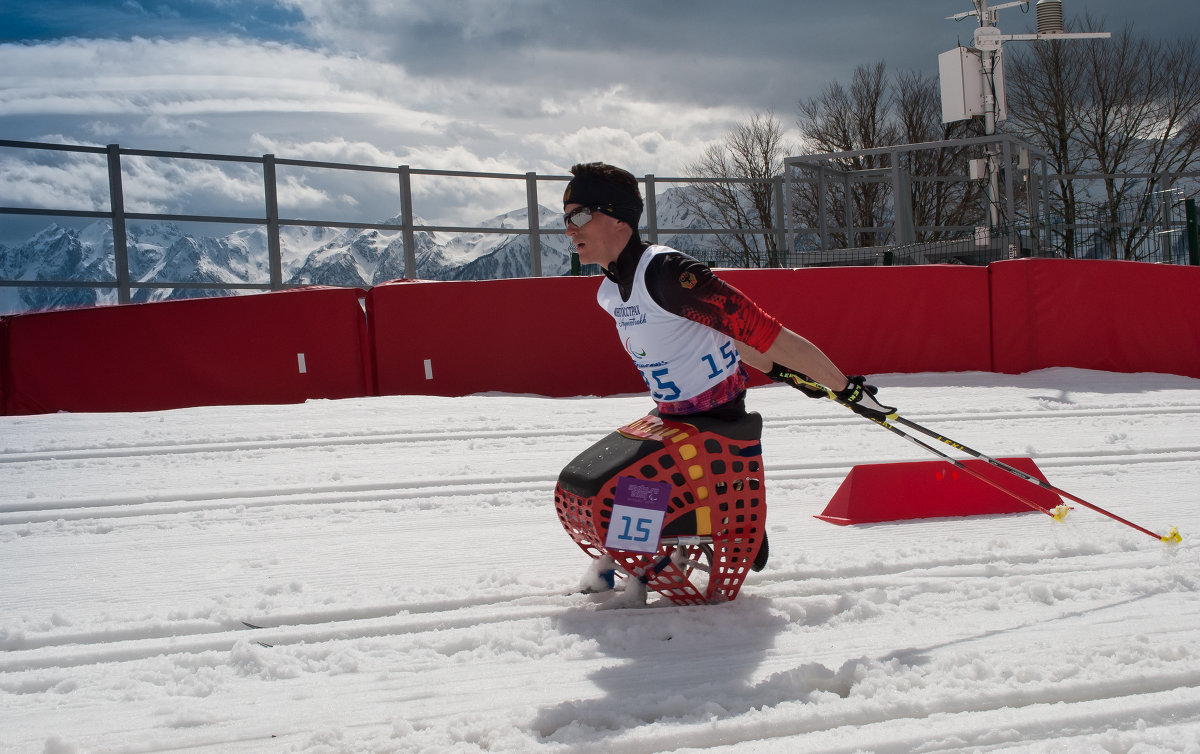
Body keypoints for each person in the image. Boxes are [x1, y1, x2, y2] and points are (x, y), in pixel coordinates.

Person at [554, 161, 895, 607]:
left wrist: (844, 387)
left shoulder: (668, 273)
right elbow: (721, 337)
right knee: (581, 485)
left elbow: (763, 332)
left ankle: (662, 559)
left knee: (614, 488)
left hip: (714, 424)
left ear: (618, 218)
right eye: (565, 219)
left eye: (580, 215)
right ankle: (667, 543)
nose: (569, 229)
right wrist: (783, 373)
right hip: (672, 420)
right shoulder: (609, 292)